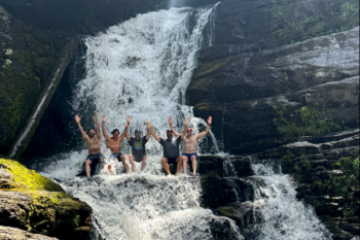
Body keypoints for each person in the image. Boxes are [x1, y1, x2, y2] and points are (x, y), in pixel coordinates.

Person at [75, 113, 104, 178]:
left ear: (94, 132)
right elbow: (82, 131)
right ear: (88, 133)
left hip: (98, 154)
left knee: (102, 159)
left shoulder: (98, 137)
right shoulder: (87, 139)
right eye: (90, 132)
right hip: (91, 156)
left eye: (93, 131)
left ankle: (103, 174)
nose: (91, 132)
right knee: (87, 162)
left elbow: (98, 130)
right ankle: (88, 177)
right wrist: (78, 123)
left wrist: (96, 120)